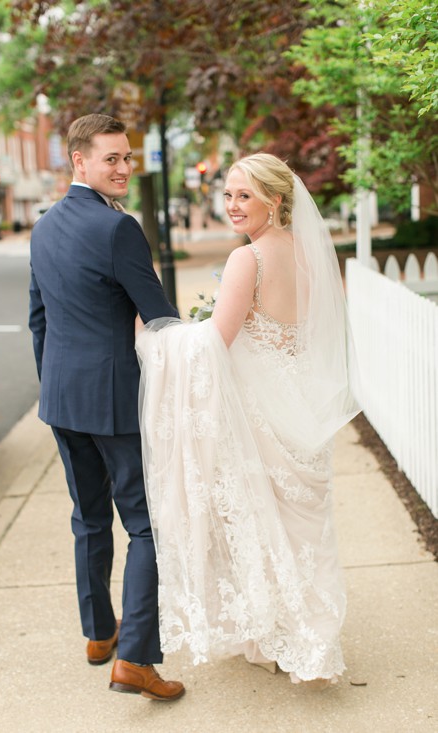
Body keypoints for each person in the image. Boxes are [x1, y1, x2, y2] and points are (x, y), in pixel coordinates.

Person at [135, 153, 360, 687]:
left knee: (263, 523)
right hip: (300, 402)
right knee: (301, 527)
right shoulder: (310, 253)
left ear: (275, 201)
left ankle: (281, 634)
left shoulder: (248, 260)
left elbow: (215, 342)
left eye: (244, 196)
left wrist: (155, 339)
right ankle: (307, 635)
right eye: (228, 194)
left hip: (258, 410)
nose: (232, 205)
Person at [28, 113, 184, 701]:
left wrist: (56, 388)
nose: (123, 168)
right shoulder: (119, 230)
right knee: (147, 525)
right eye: (111, 158)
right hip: (115, 400)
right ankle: (137, 660)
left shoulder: (42, 230)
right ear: (80, 161)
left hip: (62, 400)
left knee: (89, 517)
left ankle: (99, 635)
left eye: (126, 158)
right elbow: (161, 318)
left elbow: (37, 322)